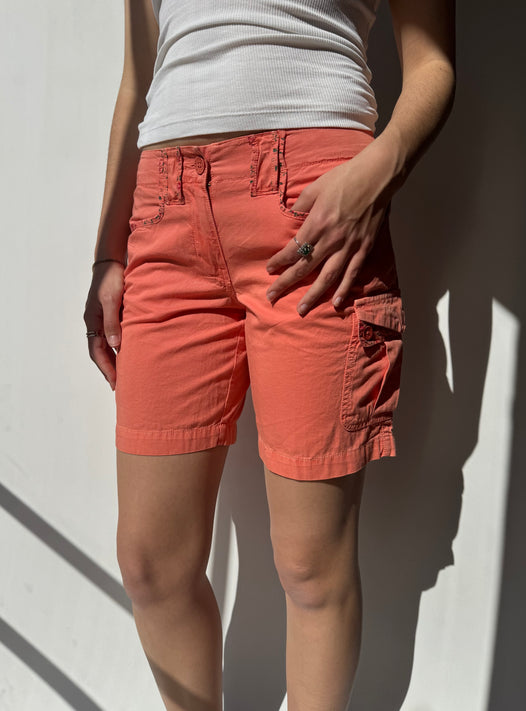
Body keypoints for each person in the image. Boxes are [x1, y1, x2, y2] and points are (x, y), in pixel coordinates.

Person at [84, 1, 455, 709]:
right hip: (163, 210)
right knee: (151, 563)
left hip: (314, 206)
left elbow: (433, 63)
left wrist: (379, 172)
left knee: (311, 564)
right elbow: (138, 78)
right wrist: (109, 249)